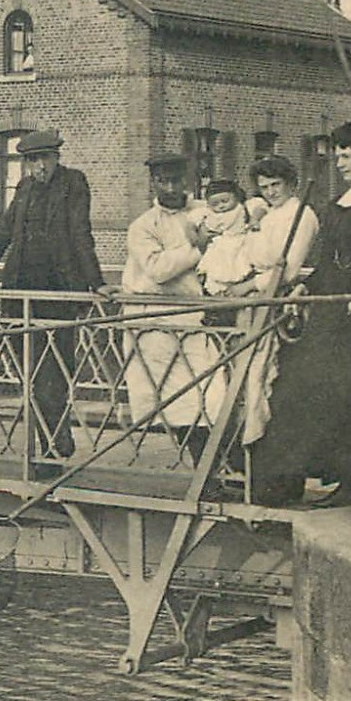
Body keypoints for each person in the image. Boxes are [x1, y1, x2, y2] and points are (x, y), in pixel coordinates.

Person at [252, 124, 351, 507]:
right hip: (329, 306)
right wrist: (305, 288)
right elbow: (327, 262)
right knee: (294, 380)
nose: (340, 163)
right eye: (338, 155)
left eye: (347, 156)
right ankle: (284, 479)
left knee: (344, 391)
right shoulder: (339, 202)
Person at [0, 128, 105, 469]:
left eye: (44, 158)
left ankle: (53, 444)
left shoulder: (73, 183)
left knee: (54, 372)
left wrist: (96, 282)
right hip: (20, 290)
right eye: (32, 160)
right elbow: (3, 231)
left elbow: (80, 232)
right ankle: (47, 442)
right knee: (28, 371)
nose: (39, 166)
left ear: (56, 157)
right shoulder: (25, 188)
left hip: (56, 291)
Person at [121, 155, 228, 469]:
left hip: (199, 317)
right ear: (153, 183)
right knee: (177, 400)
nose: (170, 188)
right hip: (156, 319)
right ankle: (206, 473)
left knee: (214, 394)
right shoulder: (143, 226)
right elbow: (157, 269)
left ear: (187, 180)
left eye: (176, 180)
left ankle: (221, 469)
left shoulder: (204, 213)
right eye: (162, 181)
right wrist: (198, 250)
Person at [236, 154, 319, 503]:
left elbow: (286, 270)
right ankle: (257, 474)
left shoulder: (302, 216)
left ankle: (281, 481)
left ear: (290, 183)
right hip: (258, 303)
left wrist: (250, 284)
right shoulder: (268, 216)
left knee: (274, 388)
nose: (271, 193)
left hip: (282, 308)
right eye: (265, 187)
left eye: (276, 186)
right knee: (250, 384)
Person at [194, 179, 266, 310]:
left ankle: (238, 292)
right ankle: (218, 298)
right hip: (219, 247)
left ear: (236, 197)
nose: (221, 206)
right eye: (215, 204)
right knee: (215, 274)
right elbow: (192, 223)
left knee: (240, 269)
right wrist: (202, 232)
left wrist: (255, 219)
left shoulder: (244, 207)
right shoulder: (207, 214)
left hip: (239, 243)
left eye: (225, 201)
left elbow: (260, 207)